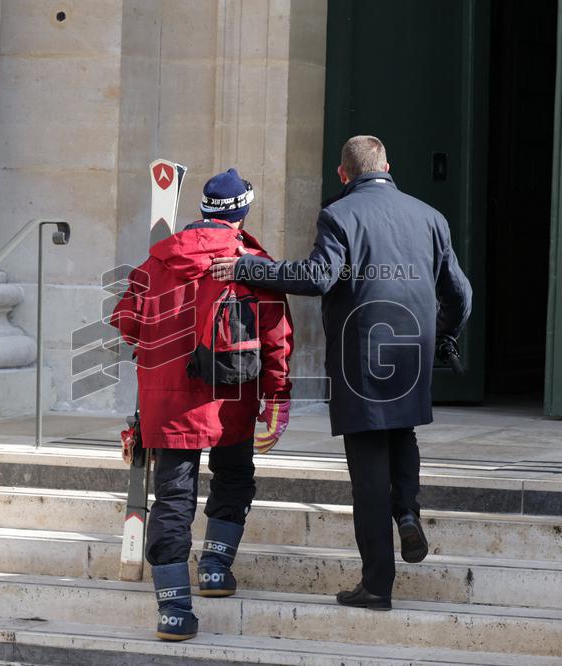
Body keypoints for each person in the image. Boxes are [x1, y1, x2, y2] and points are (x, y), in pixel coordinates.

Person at [211, 136, 471, 611]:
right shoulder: (431, 217)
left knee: (369, 471)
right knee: (402, 432)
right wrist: (443, 331)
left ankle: (376, 585)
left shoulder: (339, 214)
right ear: (388, 166)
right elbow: (460, 293)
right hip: (412, 346)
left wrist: (248, 268)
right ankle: (408, 513)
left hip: (360, 351)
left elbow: (318, 277)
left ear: (343, 174)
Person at [111, 168, 293, 640]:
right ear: (242, 213)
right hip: (230, 401)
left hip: (167, 405)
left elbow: (126, 323)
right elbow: (276, 339)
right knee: (233, 477)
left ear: (204, 211)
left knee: (172, 501)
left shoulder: (157, 262)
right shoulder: (253, 263)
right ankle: (214, 567)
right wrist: (277, 398)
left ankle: (173, 612)